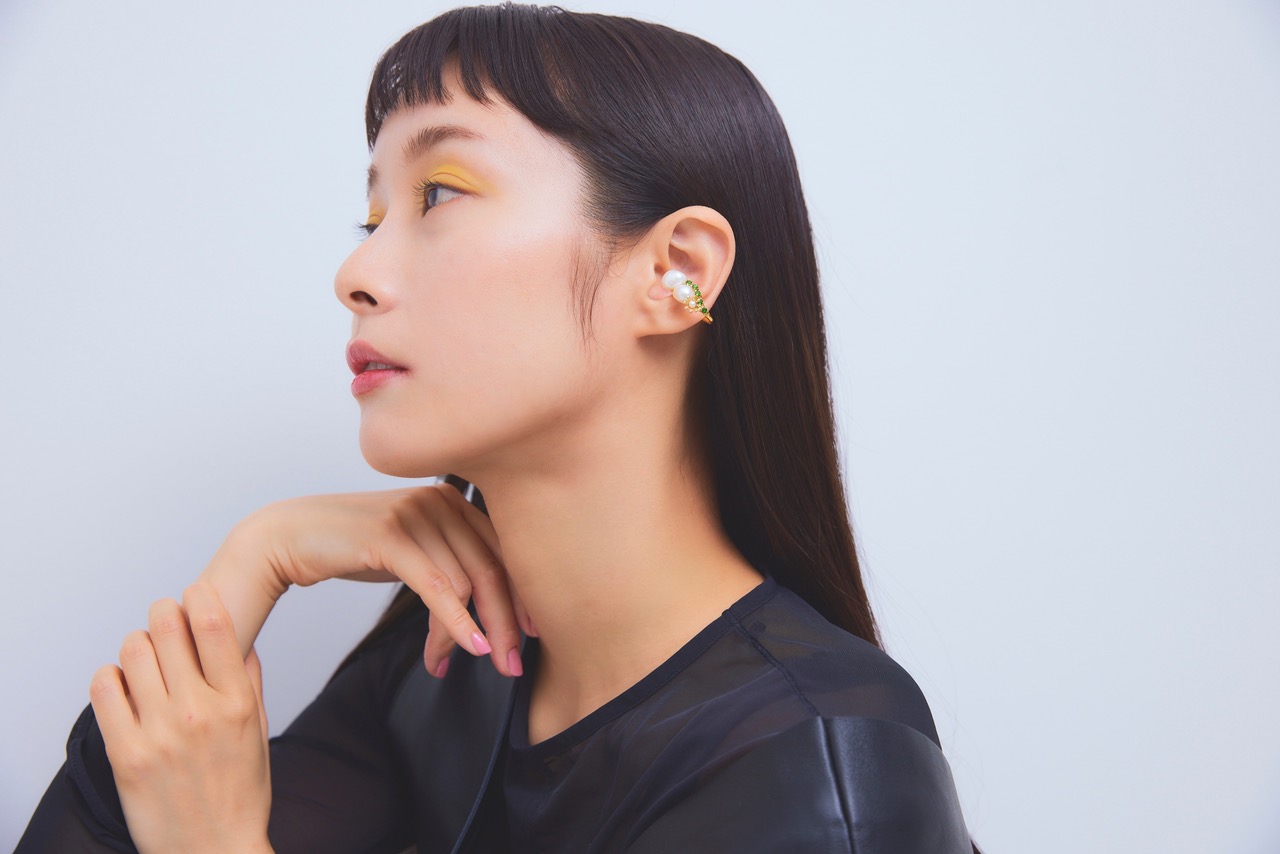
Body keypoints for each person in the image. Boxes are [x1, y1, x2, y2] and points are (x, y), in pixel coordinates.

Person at [18, 3, 975, 851]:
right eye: (371, 219)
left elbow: (194, 827)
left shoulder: (819, 767)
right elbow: (140, 804)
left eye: (439, 193)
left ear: (674, 273)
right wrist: (259, 553)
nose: (354, 276)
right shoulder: (445, 662)